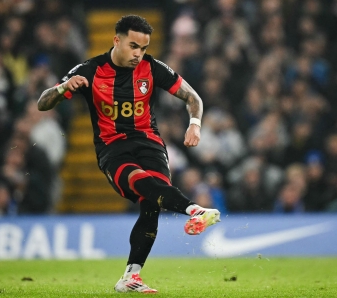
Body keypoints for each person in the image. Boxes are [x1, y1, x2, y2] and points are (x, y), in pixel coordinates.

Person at [37, 15, 220, 294]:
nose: (139, 54)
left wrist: (194, 125)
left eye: (144, 48)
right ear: (117, 40)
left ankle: (130, 277)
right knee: (140, 181)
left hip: (150, 144)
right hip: (113, 148)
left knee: (152, 203)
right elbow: (42, 103)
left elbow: (193, 98)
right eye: (134, 46)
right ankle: (194, 209)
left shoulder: (152, 68)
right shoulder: (89, 70)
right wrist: (63, 88)